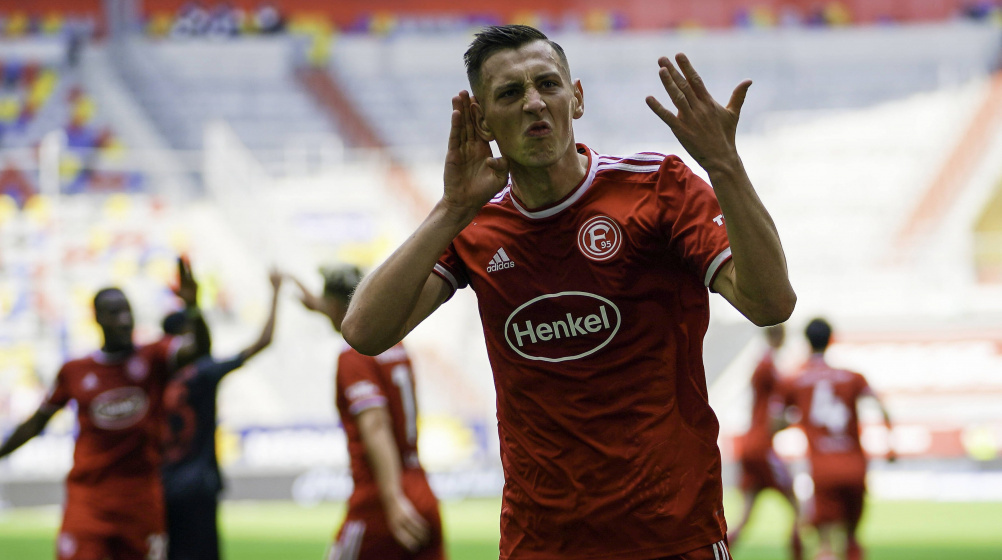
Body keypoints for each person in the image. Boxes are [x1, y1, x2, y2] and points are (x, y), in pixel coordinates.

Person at [342, 24, 795, 560]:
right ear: (482, 120)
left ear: (575, 97)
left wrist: (724, 165)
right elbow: (364, 332)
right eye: (510, 93)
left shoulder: (658, 189)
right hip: (542, 543)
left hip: (672, 536)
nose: (534, 103)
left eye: (548, 85)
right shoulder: (473, 225)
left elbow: (770, 304)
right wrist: (450, 209)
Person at [0, 257, 209, 560]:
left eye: (127, 311)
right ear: (97, 318)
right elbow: (35, 423)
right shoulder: (74, 371)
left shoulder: (153, 358)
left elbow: (199, 349)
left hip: (141, 502)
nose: (124, 320)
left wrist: (193, 308)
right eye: (114, 313)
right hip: (90, 502)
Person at [293, 265, 445, 560]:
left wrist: (391, 499)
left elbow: (375, 423)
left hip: (381, 497)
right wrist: (321, 307)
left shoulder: (353, 355)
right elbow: (352, 314)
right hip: (421, 490)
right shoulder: (395, 344)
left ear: (335, 306)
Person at [160, 269, 283, 560]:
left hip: (161, 486)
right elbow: (261, 342)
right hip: (198, 488)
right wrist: (276, 292)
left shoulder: (153, 376)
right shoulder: (202, 373)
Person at [778, 318, 894, 560]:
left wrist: (800, 419)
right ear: (831, 340)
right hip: (854, 466)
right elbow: (881, 407)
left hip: (822, 469)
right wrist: (890, 446)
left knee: (826, 544)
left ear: (807, 342)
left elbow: (774, 422)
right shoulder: (852, 377)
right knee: (851, 539)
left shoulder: (796, 379)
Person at [729, 324, 802, 558]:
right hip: (762, 447)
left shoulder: (761, 365)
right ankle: (799, 553)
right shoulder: (770, 367)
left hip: (749, 444)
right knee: (796, 504)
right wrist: (793, 422)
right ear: (779, 336)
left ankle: (723, 552)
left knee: (746, 515)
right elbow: (775, 417)